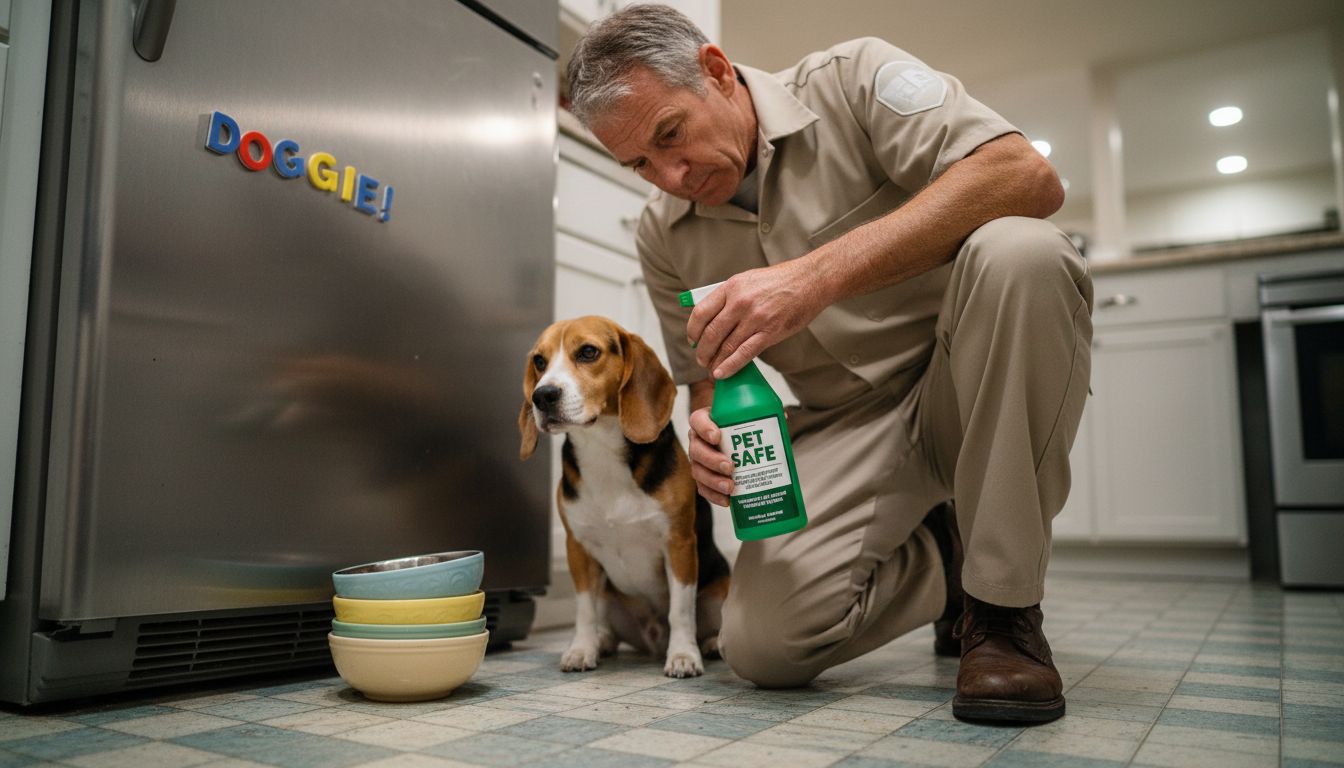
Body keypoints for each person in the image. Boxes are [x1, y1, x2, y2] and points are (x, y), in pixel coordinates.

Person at [565, 4, 1092, 724]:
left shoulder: (854, 81)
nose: (671, 175)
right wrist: (706, 433)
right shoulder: (662, 234)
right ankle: (949, 553)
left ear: (717, 72)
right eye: (640, 164)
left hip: (970, 383)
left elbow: (1027, 178)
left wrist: (814, 277)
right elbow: (704, 378)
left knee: (1023, 252)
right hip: (848, 422)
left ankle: (1003, 617)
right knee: (760, 647)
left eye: (670, 134)